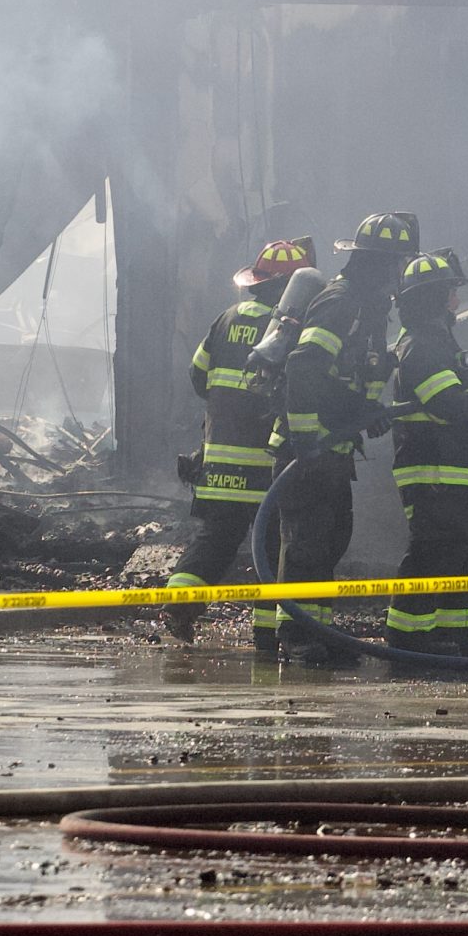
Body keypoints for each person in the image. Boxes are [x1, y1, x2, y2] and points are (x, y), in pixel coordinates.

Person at [272, 211, 420, 665]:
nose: (401, 275)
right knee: (307, 543)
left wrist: (366, 413)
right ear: (381, 264)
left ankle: (318, 628)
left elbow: (349, 377)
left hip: (331, 448)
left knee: (332, 538)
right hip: (308, 448)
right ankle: (295, 633)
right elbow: (303, 367)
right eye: (398, 264)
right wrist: (306, 441)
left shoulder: (369, 308)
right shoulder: (342, 303)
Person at [162, 237, 316, 645]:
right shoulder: (289, 328)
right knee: (272, 545)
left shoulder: (226, 318)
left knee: (216, 537)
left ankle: (179, 603)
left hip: (219, 458)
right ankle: (266, 634)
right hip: (266, 463)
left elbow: (198, 376)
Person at [384, 248, 468, 657]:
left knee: (464, 551)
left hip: (451, 469)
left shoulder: (436, 341)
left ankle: (452, 634)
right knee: (433, 551)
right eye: (450, 293)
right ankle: (408, 637)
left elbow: (458, 394)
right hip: (431, 469)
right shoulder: (421, 346)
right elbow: (449, 406)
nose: (457, 300)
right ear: (434, 298)